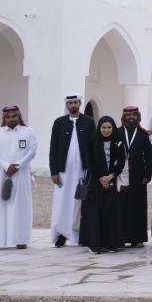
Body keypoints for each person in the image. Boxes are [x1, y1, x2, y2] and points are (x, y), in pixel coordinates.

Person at [0, 106, 36, 250]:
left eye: (14, 116)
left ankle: (21, 239)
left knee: (21, 206)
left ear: (19, 117)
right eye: (8, 117)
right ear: (4, 118)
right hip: (0, 175)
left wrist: (17, 165)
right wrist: (6, 166)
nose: (11, 119)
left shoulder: (28, 132)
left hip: (21, 175)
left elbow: (32, 152)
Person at [49, 93, 94, 248]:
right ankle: (61, 234)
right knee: (62, 201)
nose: (73, 105)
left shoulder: (88, 121)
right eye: (70, 103)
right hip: (63, 171)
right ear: (66, 105)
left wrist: (92, 169)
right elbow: (53, 147)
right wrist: (54, 171)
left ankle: (81, 235)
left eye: (75, 102)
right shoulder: (60, 122)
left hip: (83, 170)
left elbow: (93, 146)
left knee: (81, 201)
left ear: (80, 103)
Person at [81, 116, 126, 254]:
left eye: (109, 127)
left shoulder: (118, 142)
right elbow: (90, 163)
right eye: (104, 127)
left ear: (113, 128)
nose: (106, 130)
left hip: (111, 182)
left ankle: (109, 243)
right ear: (99, 128)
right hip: (95, 183)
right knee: (95, 214)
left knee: (110, 213)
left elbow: (121, 162)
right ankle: (94, 244)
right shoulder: (92, 142)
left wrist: (110, 176)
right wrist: (102, 179)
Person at [118, 106, 152, 248]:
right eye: (128, 115)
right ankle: (120, 237)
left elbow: (148, 157)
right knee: (120, 205)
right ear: (124, 117)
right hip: (120, 173)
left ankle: (137, 238)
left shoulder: (144, 134)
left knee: (137, 205)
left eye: (134, 115)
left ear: (137, 117)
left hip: (138, 175)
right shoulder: (117, 132)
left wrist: (147, 175)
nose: (131, 117)